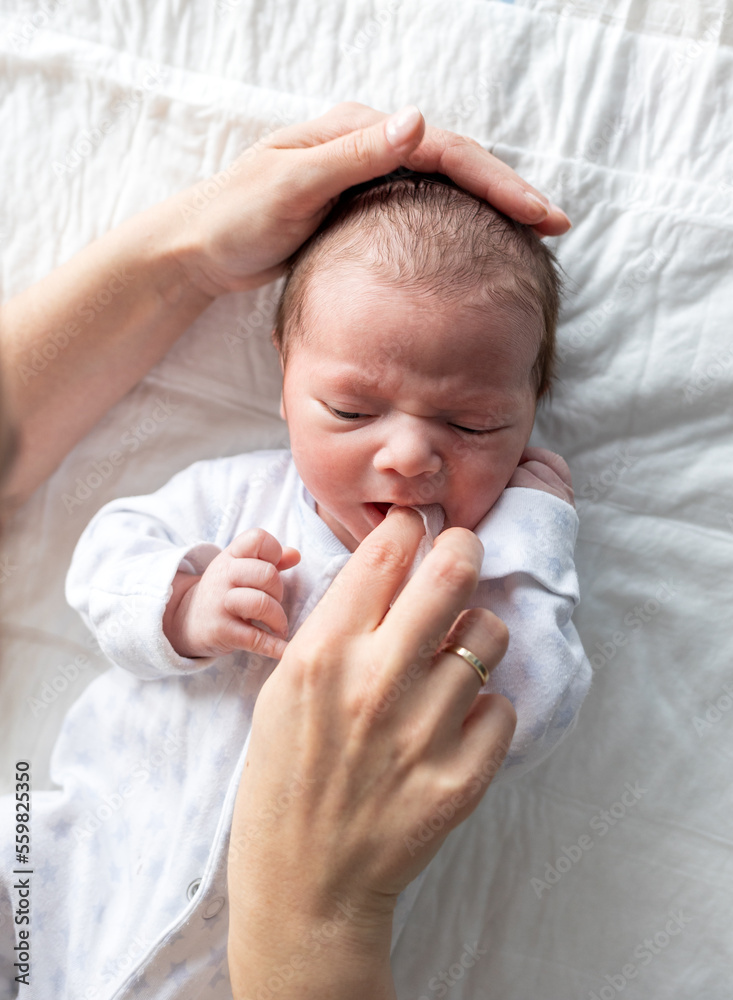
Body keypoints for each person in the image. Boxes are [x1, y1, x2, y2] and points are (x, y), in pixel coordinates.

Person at [0, 104, 572, 998]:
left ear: (530, 418)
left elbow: (531, 717)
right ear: (282, 378)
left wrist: (539, 536)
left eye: (472, 423)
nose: (408, 456)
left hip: (240, 963)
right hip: (62, 861)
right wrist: (181, 606)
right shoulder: (238, 497)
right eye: (350, 411)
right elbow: (103, 561)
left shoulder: (479, 578)